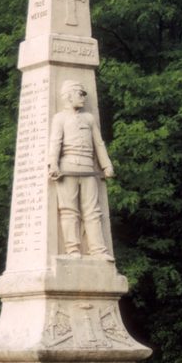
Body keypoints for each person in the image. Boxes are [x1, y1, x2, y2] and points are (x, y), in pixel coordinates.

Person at [49, 80, 114, 261]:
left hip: (88, 168)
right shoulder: (60, 118)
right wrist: (52, 163)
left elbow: (99, 144)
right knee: (69, 210)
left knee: (93, 210)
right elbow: (55, 142)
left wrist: (106, 165)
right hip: (67, 167)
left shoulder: (89, 118)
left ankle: (98, 250)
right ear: (68, 96)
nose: (83, 97)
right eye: (80, 93)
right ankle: (73, 249)